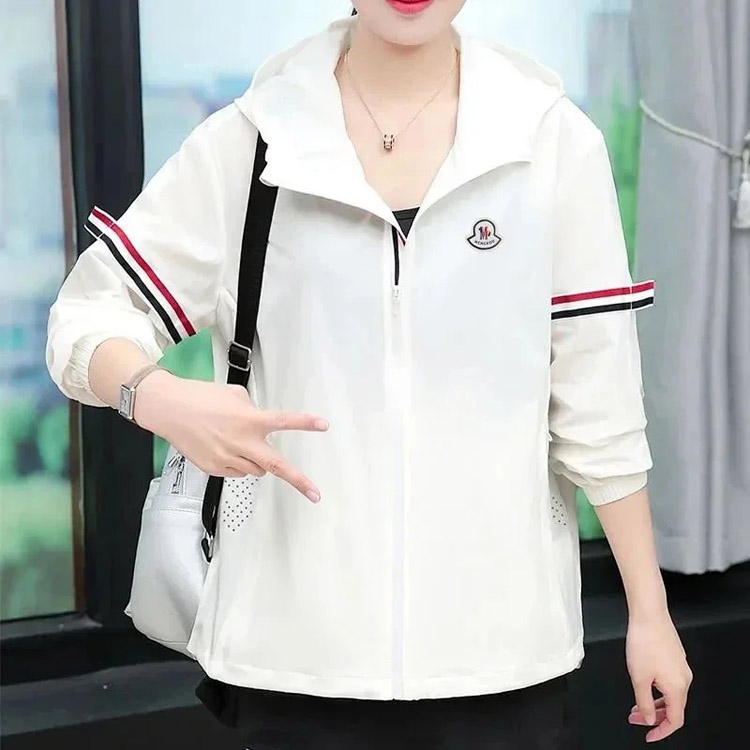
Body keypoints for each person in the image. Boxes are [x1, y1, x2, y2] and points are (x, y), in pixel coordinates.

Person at [45, 0, 693, 747]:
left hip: (501, 657)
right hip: (291, 663)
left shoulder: (551, 144)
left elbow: (600, 409)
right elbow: (87, 315)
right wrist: (159, 398)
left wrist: (650, 612)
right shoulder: (253, 143)